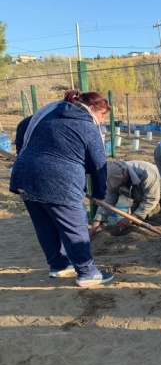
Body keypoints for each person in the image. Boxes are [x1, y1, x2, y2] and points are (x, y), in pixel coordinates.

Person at [9, 90, 114, 287]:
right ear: (92, 109)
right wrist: (100, 194)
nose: (101, 121)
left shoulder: (50, 113)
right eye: (102, 116)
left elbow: (24, 124)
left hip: (24, 176)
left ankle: (59, 266)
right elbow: (99, 164)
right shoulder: (87, 126)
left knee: (44, 225)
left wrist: (24, 153)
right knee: (75, 227)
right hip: (59, 181)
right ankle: (87, 273)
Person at [88, 160, 161, 236]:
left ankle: (159, 210)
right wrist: (95, 226)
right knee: (135, 224)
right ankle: (151, 211)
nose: (119, 187)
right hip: (139, 197)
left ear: (126, 176)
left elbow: (151, 200)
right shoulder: (112, 179)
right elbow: (107, 202)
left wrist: (129, 218)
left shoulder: (147, 174)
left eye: (121, 184)